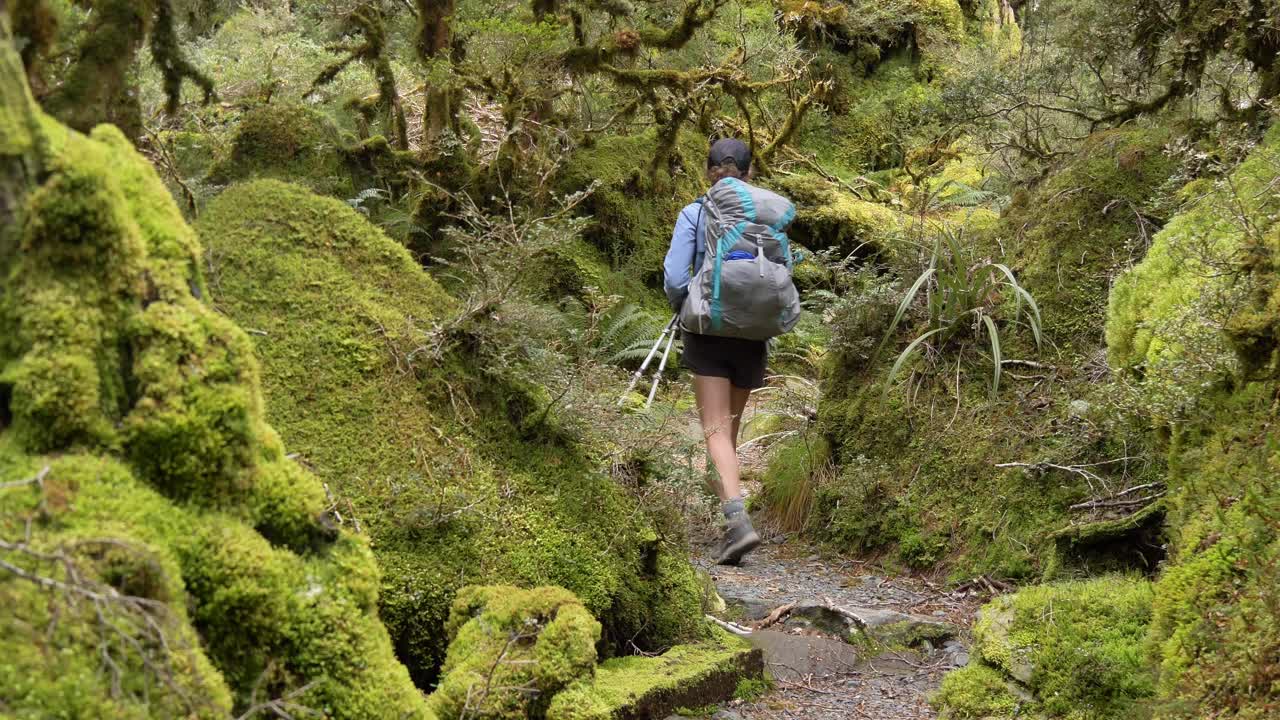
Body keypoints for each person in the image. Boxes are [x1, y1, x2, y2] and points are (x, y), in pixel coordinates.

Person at [663, 138, 764, 566]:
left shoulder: (696, 212)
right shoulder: (766, 216)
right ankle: (730, 521)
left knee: (715, 432)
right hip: (755, 333)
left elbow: (673, 276)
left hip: (709, 329)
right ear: (749, 173)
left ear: (708, 171)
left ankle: (738, 522)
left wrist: (683, 305)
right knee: (729, 432)